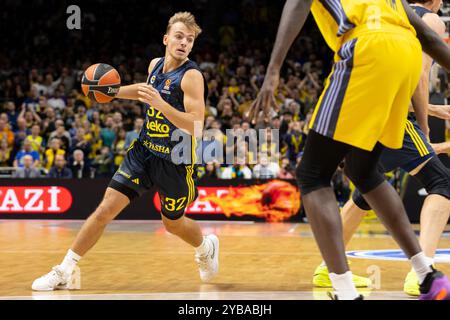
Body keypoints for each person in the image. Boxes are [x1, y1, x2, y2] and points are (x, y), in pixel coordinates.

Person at [249, 0, 450, 300]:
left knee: (313, 175)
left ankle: (344, 291)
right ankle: (427, 275)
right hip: (405, 54)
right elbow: (429, 38)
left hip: (368, 47)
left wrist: (274, 70)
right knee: (362, 171)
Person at [32, 12, 219, 291]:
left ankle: (206, 247)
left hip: (175, 160)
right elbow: (143, 92)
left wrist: (162, 104)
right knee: (105, 210)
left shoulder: (192, 76)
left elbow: (197, 125)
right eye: (179, 36)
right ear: (166, 39)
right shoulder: (155, 65)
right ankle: (64, 269)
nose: (184, 43)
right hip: (143, 152)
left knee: (173, 223)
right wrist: (111, 90)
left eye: (190, 40)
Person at [311, 0, 450, 296]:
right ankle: (422, 271)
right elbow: (419, 76)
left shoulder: (393, 9)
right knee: (443, 183)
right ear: (436, 1)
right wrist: (424, 122)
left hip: (364, 105)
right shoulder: (430, 20)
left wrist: (437, 111)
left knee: (366, 189)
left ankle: (328, 269)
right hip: (397, 115)